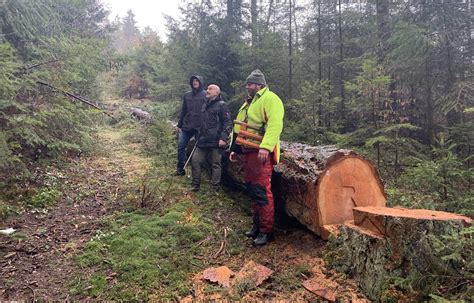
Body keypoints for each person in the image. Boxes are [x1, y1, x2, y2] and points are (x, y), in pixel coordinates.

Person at [229, 69, 284, 246]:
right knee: (252, 188)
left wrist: (266, 147)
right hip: (248, 151)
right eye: (247, 84)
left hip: (260, 152)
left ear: (259, 85)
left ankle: (266, 231)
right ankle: (256, 225)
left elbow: (275, 125)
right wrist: (235, 149)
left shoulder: (271, 99)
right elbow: (241, 127)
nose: (248, 87)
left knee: (261, 190)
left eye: (250, 84)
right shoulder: (249, 102)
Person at [191, 84, 232, 192]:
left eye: (210, 89)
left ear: (216, 93)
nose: (207, 91)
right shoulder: (204, 105)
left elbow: (228, 123)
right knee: (195, 160)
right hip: (203, 140)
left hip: (216, 141)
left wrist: (223, 138)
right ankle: (195, 185)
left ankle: (215, 189)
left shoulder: (222, 105)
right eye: (207, 89)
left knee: (216, 165)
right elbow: (202, 122)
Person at [175, 75, 206, 176]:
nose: (195, 82)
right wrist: (179, 125)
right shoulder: (187, 95)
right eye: (193, 81)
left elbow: (209, 112)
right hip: (187, 125)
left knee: (199, 149)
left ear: (200, 82)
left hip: (199, 127)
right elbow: (184, 110)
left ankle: (197, 173)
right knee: (181, 146)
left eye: (197, 81)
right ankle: (180, 169)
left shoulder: (206, 95)